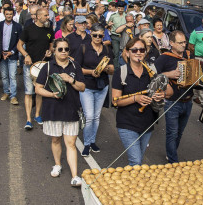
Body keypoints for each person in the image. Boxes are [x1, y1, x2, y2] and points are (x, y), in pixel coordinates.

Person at [35, 38, 86, 187]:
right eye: (60, 49)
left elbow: (82, 87)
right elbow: (38, 88)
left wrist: (71, 80)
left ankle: (75, 176)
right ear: (54, 51)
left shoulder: (75, 66)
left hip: (71, 110)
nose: (64, 52)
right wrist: (52, 94)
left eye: (66, 49)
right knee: (56, 140)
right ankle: (57, 164)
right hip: (53, 110)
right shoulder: (48, 67)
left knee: (71, 143)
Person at [112, 37, 170, 166]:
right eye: (134, 50)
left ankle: (132, 183)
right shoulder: (120, 72)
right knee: (136, 161)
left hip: (147, 122)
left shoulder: (152, 71)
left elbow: (168, 91)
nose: (138, 52)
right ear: (127, 52)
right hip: (127, 123)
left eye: (142, 50)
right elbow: (116, 101)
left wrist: (161, 94)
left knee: (139, 159)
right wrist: (135, 98)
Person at [74, 25, 113, 157]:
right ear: (90, 34)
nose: (97, 38)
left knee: (96, 116)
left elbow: (113, 69)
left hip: (102, 86)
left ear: (103, 36)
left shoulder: (107, 49)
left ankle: (92, 141)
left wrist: (106, 69)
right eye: (95, 35)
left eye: (100, 36)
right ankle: (86, 143)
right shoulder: (83, 48)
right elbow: (77, 68)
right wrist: (92, 72)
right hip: (87, 85)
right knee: (89, 116)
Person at [155, 31, 194, 164]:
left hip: (188, 101)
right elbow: (153, 76)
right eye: (180, 43)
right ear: (171, 43)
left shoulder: (189, 55)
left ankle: (171, 153)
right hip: (172, 102)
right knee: (172, 133)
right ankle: (173, 161)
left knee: (179, 132)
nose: (184, 45)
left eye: (185, 42)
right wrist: (168, 74)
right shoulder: (164, 58)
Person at [17, 7, 54, 129]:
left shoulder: (49, 29)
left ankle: (37, 115)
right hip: (30, 66)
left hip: (43, 66)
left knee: (39, 91)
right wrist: (26, 55)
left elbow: (51, 45)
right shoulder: (28, 29)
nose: (48, 17)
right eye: (45, 16)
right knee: (28, 92)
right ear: (38, 17)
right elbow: (19, 45)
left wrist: (50, 51)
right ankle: (28, 119)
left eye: (48, 15)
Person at [0, 7, 22, 105]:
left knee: (12, 76)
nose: (9, 16)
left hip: (12, 55)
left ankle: (13, 96)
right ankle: (6, 92)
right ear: (4, 14)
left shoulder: (18, 26)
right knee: (4, 76)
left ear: (13, 14)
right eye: (7, 14)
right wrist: (0, 52)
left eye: (10, 14)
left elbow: (20, 42)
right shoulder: (0, 25)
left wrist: (12, 52)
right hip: (2, 54)